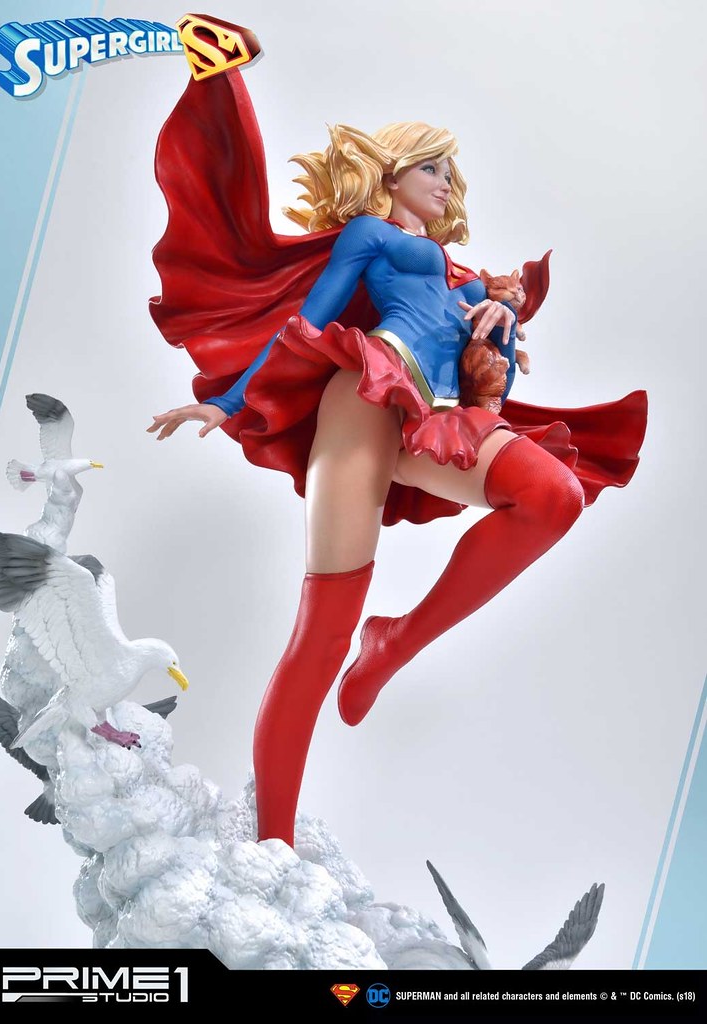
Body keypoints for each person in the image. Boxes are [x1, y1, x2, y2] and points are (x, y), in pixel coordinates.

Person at [147, 69, 647, 848]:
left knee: (553, 496)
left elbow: (492, 356)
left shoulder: (466, 276)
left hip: (436, 415)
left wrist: (498, 328)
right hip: (366, 395)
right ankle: (272, 847)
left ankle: (394, 644)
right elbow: (311, 319)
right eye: (431, 167)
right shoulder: (371, 237)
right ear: (390, 173)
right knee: (321, 636)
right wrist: (230, 400)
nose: (446, 183)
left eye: (451, 171)